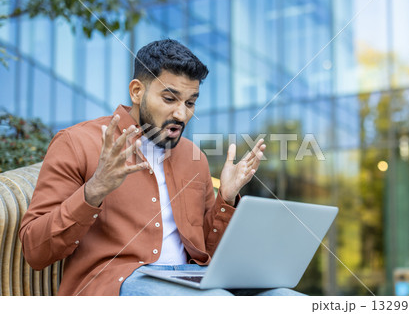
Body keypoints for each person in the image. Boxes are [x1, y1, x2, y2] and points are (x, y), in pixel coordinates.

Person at [19, 39, 301, 296]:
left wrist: (225, 200)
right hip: (116, 282)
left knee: (287, 299)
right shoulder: (77, 143)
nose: (182, 113)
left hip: (191, 279)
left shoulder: (194, 157)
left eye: (190, 103)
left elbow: (206, 253)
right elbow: (36, 250)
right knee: (217, 301)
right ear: (137, 91)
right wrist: (93, 191)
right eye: (170, 99)